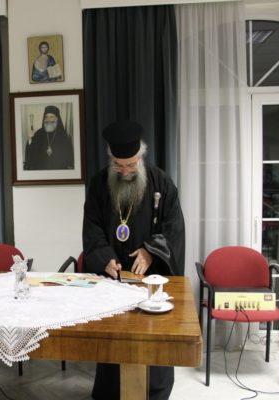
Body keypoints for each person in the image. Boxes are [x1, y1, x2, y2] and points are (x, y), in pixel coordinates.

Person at [82, 120, 185, 400]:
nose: (125, 171)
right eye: (118, 165)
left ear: (141, 155)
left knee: (151, 340)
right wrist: (104, 258)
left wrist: (151, 251)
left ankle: (154, 392)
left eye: (130, 164)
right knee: (113, 341)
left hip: (149, 282)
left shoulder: (161, 182)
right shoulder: (98, 184)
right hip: (113, 279)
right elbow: (92, 227)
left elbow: (174, 229)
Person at [23, 105, 74, 170]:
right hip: (40, 170)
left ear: (57, 119)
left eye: (51, 117)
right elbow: (31, 154)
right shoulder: (38, 134)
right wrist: (30, 139)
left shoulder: (64, 136)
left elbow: (69, 159)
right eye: (46, 117)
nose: (48, 119)